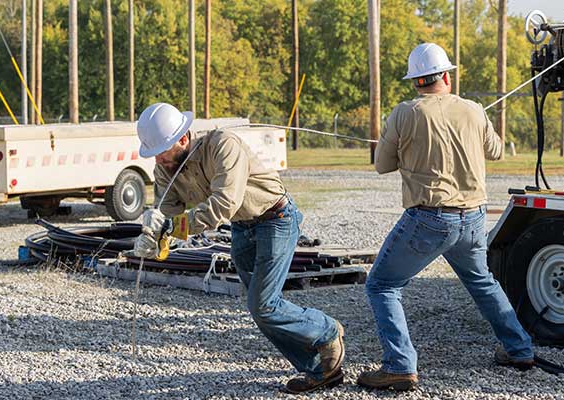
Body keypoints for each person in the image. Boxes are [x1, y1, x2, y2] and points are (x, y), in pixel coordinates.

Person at [132, 102, 345, 394]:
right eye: (154, 153)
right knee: (261, 307)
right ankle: (320, 369)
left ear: (183, 139)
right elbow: (167, 212)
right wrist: (153, 236)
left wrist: (173, 227)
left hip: (275, 218)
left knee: (264, 306)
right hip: (242, 227)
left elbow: (224, 203)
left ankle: (327, 330)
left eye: (162, 151)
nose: (158, 160)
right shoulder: (166, 168)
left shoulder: (223, 145)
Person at [357, 43, 535, 391]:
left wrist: (405, 149)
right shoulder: (473, 109)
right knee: (483, 283)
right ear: (447, 77)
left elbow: (382, 166)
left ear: (415, 82)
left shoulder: (405, 113)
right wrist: (477, 121)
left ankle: (399, 365)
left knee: (381, 285)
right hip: (473, 218)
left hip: (429, 219)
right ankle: (519, 349)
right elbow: (496, 152)